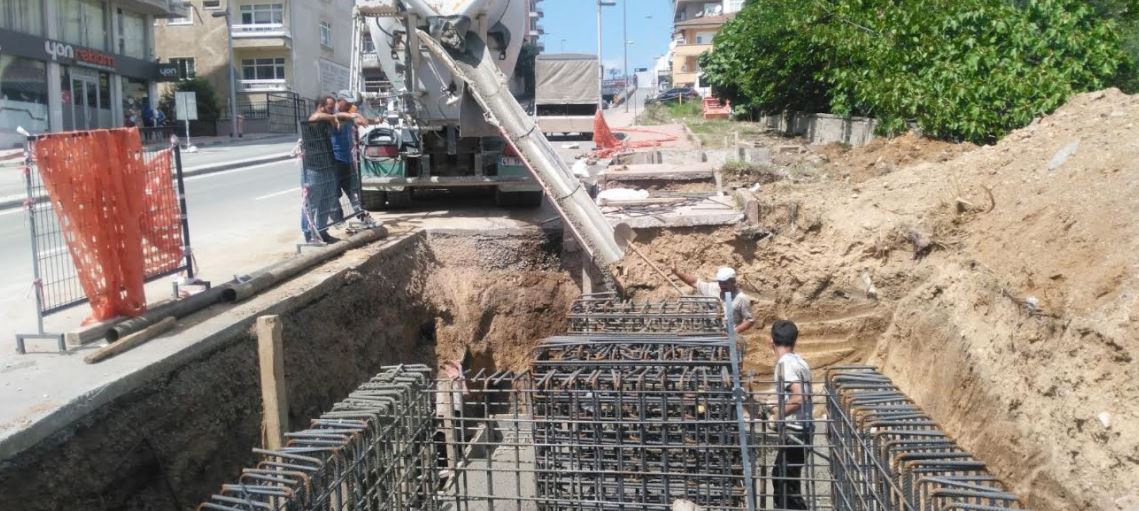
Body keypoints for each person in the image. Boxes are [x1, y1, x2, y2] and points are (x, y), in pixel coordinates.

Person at [766, 320, 813, 510]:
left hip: (796, 432)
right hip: (803, 428)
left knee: (785, 482)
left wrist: (778, 415)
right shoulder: (799, 360)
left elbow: (799, 396)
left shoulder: (786, 363)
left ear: (771, 341)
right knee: (782, 477)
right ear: (795, 341)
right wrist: (777, 402)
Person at [299, 96, 350, 244]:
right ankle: (309, 234)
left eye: (333, 107)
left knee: (326, 201)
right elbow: (316, 116)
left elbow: (343, 118)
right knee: (312, 203)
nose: (332, 110)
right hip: (313, 168)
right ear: (321, 107)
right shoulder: (312, 121)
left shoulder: (327, 123)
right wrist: (333, 117)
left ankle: (322, 231)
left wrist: (336, 118)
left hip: (328, 166)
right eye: (329, 107)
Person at [672, 265, 756, 334]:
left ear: (733, 281)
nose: (722, 286)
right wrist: (677, 272)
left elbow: (749, 320)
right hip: (708, 331)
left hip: (726, 335)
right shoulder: (713, 288)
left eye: (725, 283)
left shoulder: (741, 298)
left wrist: (735, 331)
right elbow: (694, 282)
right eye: (720, 283)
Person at [329, 90, 371, 224]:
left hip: (347, 159)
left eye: (351, 104)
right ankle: (338, 220)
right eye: (347, 103)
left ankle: (361, 216)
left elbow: (356, 119)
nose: (349, 106)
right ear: (339, 101)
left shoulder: (348, 114)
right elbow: (339, 115)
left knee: (353, 189)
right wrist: (355, 114)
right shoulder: (332, 114)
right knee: (334, 193)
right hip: (335, 160)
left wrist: (373, 120)